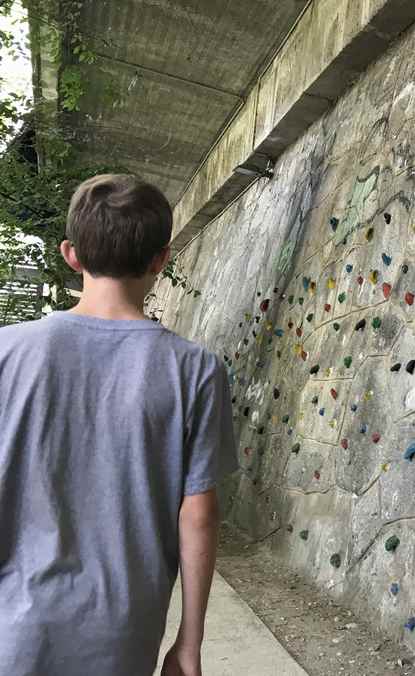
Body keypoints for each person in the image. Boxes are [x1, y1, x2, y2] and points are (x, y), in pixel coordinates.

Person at [0, 174, 237, 676]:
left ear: (71, 254)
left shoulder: (6, 353)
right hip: (123, 631)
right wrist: (189, 642)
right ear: (161, 260)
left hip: (12, 627)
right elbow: (199, 515)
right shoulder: (195, 371)